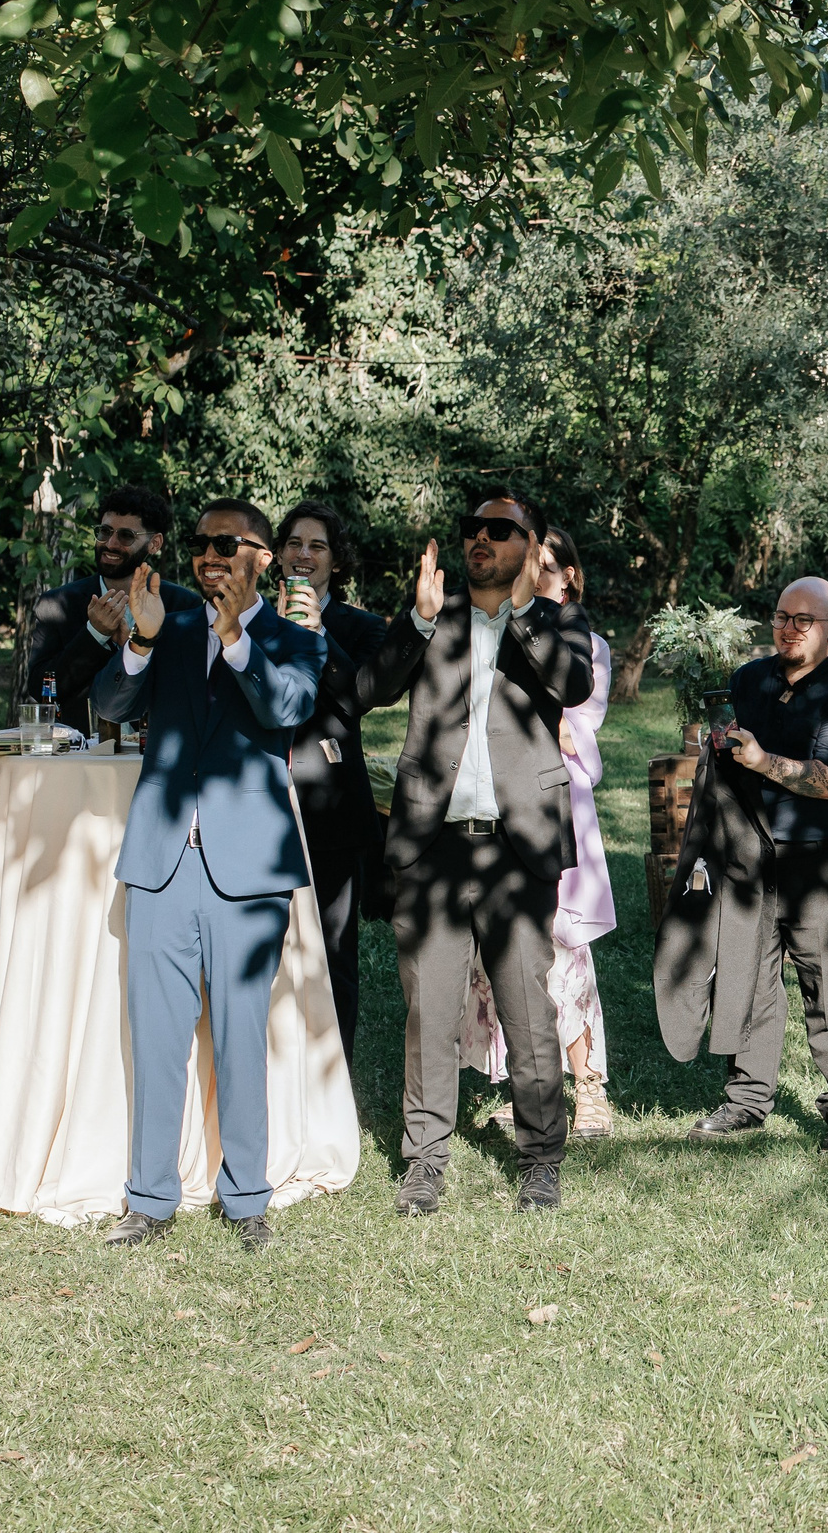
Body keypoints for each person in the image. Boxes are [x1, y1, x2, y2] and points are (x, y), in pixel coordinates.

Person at [89, 499, 326, 1253]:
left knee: (240, 1035)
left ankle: (246, 1196)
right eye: (201, 544)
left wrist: (236, 644)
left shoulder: (295, 638)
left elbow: (286, 706)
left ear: (263, 556)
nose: (210, 555)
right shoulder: (170, 623)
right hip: (161, 859)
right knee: (155, 1037)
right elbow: (109, 704)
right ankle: (150, 1198)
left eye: (227, 543)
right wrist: (139, 643)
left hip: (249, 865)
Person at [356, 491, 598, 1217]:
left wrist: (523, 613)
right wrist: (419, 619)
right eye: (474, 529)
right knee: (429, 1009)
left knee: (528, 1007)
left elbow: (573, 684)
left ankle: (540, 1156)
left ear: (533, 542)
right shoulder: (436, 619)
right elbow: (371, 686)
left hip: (517, 849)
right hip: (434, 848)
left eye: (501, 529)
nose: (481, 539)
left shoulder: (558, 622)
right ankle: (424, 1159)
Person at [658, 577, 828, 1152]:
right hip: (749, 855)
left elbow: (827, 782)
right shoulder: (751, 679)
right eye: (781, 616)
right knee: (750, 978)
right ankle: (747, 1099)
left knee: (826, 984)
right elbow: (733, 748)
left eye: (803, 620)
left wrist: (761, 762)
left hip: (820, 860)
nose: (788, 628)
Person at [472, 528, 618, 1140]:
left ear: (570, 577)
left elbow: (571, 728)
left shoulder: (587, 644)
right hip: (496, 805)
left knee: (563, 945)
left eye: (547, 569)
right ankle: (532, 1084)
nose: (535, 579)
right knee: (506, 945)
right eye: (525, 570)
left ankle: (590, 1088)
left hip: (559, 809)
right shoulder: (494, 638)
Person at [277, 500, 386, 1057]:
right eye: (294, 543)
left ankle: (333, 1080)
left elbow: (361, 698)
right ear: (277, 554)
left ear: (334, 562)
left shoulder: (361, 627)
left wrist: (320, 635)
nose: (304, 555)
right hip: (261, 805)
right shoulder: (249, 620)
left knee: (332, 952)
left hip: (332, 812)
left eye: (316, 546)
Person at [18, 485, 199, 716]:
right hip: (81, 748)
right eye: (104, 532)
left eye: (125, 536)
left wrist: (137, 650)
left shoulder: (183, 606)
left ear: (154, 543)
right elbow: (40, 689)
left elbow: (187, 688)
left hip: (151, 745)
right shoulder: (56, 605)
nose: (111, 544)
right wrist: (94, 634)